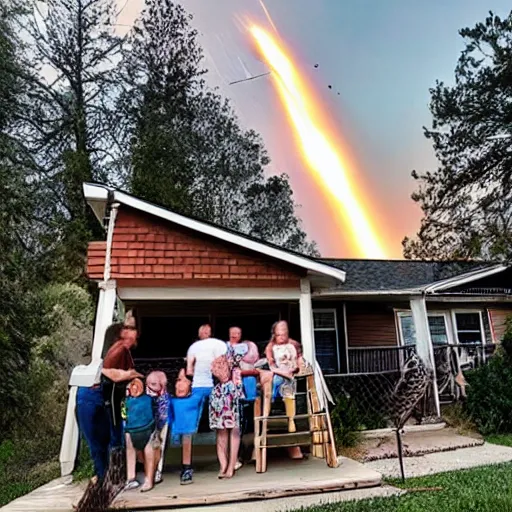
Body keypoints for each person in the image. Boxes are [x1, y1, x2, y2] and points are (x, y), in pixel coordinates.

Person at [75, 323, 140, 484]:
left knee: (113, 435)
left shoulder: (124, 353)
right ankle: (103, 475)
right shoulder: (111, 352)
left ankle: (112, 475)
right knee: (96, 440)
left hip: (107, 397)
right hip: (90, 395)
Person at [169, 324, 227, 485]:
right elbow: (184, 377)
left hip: (214, 387)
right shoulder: (191, 358)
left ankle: (229, 462)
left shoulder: (216, 353)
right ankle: (186, 467)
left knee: (225, 421)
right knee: (188, 427)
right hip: (195, 391)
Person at [260, 320, 305, 459]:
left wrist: (296, 368)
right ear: (274, 334)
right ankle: (270, 411)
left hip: (292, 376)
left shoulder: (294, 344)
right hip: (279, 375)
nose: (282, 336)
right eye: (279, 334)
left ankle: (291, 421)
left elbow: (299, 360)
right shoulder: (270, 347)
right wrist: (284, 372)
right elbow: (272, 366)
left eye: (284, 333)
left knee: (289, 388)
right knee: (276, 382)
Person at [209, 327, 246, 479]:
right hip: (219, 394)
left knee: (234, 429)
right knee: (221, 430)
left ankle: (231, 466)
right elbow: (219, 373)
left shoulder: (240, 352)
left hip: (233, 394)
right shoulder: (217, 357)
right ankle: (223, 465)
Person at [102, 325, 140, 449]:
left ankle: (120, 446)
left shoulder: (122, 349)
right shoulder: (120, 350)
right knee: (118, 420)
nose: (133, 342)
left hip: (118, 391)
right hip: (115, 391)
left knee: (120, 420)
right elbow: (115, 374)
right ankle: (119, 448)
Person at [123, 378, 157, 492]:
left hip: (147, 429)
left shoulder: (148, 399)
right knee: (131, 451)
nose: (135, 388)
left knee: (149, 453)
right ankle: (130, 478)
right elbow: (123, 416)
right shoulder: (125, 400)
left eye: (137, 385)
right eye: (132, 385)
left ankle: (149, 479)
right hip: (130, 430)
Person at [145, 371, 170, 485]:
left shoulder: (164, 398)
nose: (149, 387)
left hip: (161, 423)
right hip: (149, 424)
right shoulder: (147, 396)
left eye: (154, 384)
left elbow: (163, 415)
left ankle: (158, 471)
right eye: (148, 383)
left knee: (160, 446)